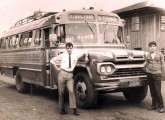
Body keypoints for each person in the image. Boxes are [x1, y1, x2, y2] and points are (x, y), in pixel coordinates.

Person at [50, 42, 88, 116]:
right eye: (68, 48)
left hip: (70, 75)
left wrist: (86, 56)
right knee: (61, 93)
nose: (69, 49)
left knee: (71, 91)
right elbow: (52, 60)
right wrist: (57, 68)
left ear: (72, 48)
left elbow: (85, 52)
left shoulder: (75, 55)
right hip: (62, 74)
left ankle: (74, 110)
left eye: (70, 48)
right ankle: (62, 109)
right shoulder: (62, 55)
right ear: (66, 48)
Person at [145, 41, 164, 113]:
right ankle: (153, 105)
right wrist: (146, 69)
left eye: (153, 46)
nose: (152, 48)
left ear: (155, 47)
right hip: (149, 74)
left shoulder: (160, 55)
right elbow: (146, 63)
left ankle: (161, 106)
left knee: (157, 91)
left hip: (157, 74)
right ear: (149, 48)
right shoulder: (148, 55)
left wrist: (162, 73)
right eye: (150, 46)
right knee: (152, 90)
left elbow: (162, 65)